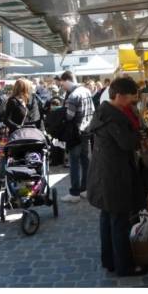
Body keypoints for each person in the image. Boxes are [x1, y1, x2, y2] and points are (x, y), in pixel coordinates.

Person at [86, 77, 147, 277]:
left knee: (108, 218)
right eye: (131, 98)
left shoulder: (105, 112)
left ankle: (110, 260)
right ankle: (125, 267)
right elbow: (127, 144)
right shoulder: (112, 117)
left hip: (105, 173)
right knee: (119, 221)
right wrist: (140, 136)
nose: (133, 102)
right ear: (120, 96)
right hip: (114, 175)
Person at [59, 70, 95, 203]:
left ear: (67, 80)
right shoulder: (86, 91)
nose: (62, 86)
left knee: (74, 162)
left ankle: (74, 193)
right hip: (87, 131)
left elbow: (69, 116)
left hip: (75, 134)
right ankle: (85, 189)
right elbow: (93, 111)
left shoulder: (73, 95)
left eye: (62, 84)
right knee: (85, 161)